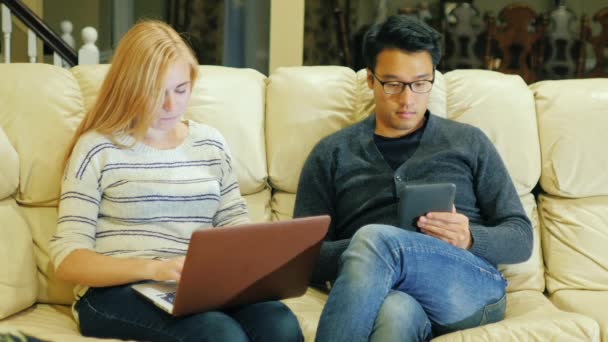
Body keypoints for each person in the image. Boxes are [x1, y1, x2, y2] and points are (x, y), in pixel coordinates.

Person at [49, 20, 302, 342]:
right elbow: (69, 259)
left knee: (279, 323)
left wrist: (260, 260)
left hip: (201, 291)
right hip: (114, 294)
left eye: (181, 90)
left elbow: (235, 224)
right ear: (130, 87)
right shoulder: (97, 147)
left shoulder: (210, 143)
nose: (171, 106)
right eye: (156, 92)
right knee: (218, 333)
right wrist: (155, 269)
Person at [293, 15, 533, 342]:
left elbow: (521, 237)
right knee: (395, 312)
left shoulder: (469, 142)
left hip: (466, 286)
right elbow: (303, 258)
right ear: (370, 80)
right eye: (393, 84)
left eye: (421, 84)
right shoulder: (332, 153)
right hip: (385, 294)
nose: (408, 100)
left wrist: (469, 238)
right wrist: (371, 253)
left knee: (376, 240)